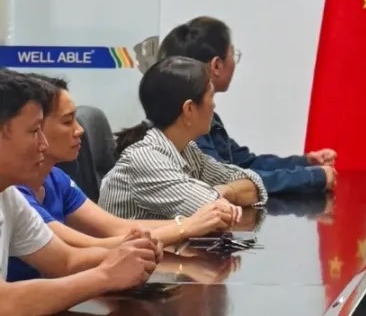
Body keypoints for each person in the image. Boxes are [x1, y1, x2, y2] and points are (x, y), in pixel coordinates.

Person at [8, 74, 238, 281]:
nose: (80, 130)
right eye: (67, 122)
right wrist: (184, 228)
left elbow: (118, 228)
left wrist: (192, 225)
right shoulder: (14, 190)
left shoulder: (55, 178)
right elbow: (78, 253)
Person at [0, 70, 159, 314]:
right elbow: (5, 303)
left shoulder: (8, 195)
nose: (43, 144)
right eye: (34, 131)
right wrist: (106, 275)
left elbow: (65, 261)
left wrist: (131, 254)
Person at [160, 16, 336, 195]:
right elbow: (229, 181)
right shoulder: (186, 122)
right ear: (217, 65)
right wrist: (311, 177)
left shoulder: (202, 115)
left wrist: (304, 163)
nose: (234, 62)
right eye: (233, 54)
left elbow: (245, 163)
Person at [99, 56, 268, 220]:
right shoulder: (146, 159)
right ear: (189, 109)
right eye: (211, 96)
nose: (214, 105)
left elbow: (254, 186)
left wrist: (226, 191)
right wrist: (222, 195)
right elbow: (215, 211)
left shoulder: (187, 150)